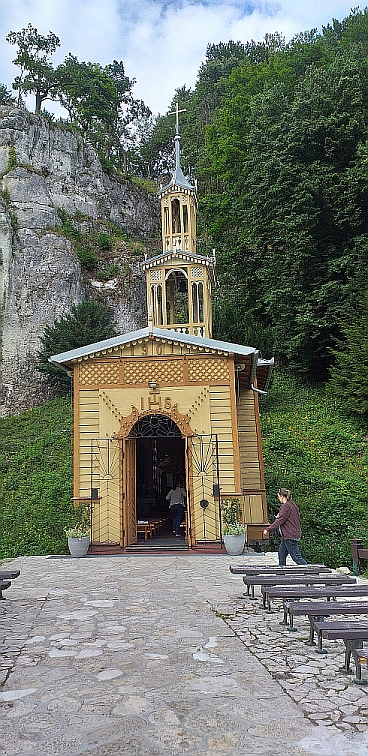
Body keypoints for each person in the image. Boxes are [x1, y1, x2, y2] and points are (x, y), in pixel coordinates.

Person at [263, 488, 307, 566]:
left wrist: (268, 529)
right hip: (288, 536)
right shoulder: (292, 505)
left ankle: (311, 571)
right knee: (281, 554)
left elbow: (280, 520)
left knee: (296, 557)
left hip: (290, 536)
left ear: (282, 496)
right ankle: (281, 575)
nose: (278, 498)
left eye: (278, 496)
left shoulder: (286, 506)